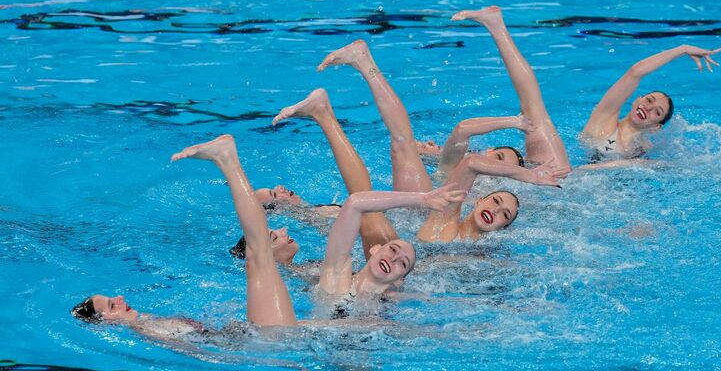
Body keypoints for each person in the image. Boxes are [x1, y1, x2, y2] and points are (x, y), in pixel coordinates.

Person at [72, 135, 465, 330]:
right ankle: (228, 161)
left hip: (282, 349)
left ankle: (127, 319)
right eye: (394, 249)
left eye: (403, 263)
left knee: (204, 325)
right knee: (259, 253)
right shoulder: (337, 275)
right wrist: (425, 196)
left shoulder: (391, 312)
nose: (394, 258)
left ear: (401, 277)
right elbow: (357, 202)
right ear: (376, 251)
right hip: (281, 340)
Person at [276, 40, 566, 243]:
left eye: (505, 215)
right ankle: (360, 68)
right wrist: (530, 176)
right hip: (414, 212)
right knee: (397, 150)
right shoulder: (447, 215)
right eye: (498, 202)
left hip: (401, 234)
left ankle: (325, 109)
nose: (498, 211)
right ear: (478, 199)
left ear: (504, 228)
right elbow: (472, 161)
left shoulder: (481, 250)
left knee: (357, 202)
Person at [415, 5, 573, 177]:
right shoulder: (458, 170)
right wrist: (515, 121)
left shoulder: (456, 175)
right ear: (487, 151)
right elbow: (462, 132)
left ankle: (496, 25)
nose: (497, 165)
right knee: (534, 110)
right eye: (498, 157)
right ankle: (496, 26)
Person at [581, 42, 721, 163]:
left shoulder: (644, 149)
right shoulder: (603, 120)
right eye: (649, 100)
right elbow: (635, 72)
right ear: (637, 99)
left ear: (656, 127)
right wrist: (683, 49)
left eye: (657, 112)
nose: (648, 108)